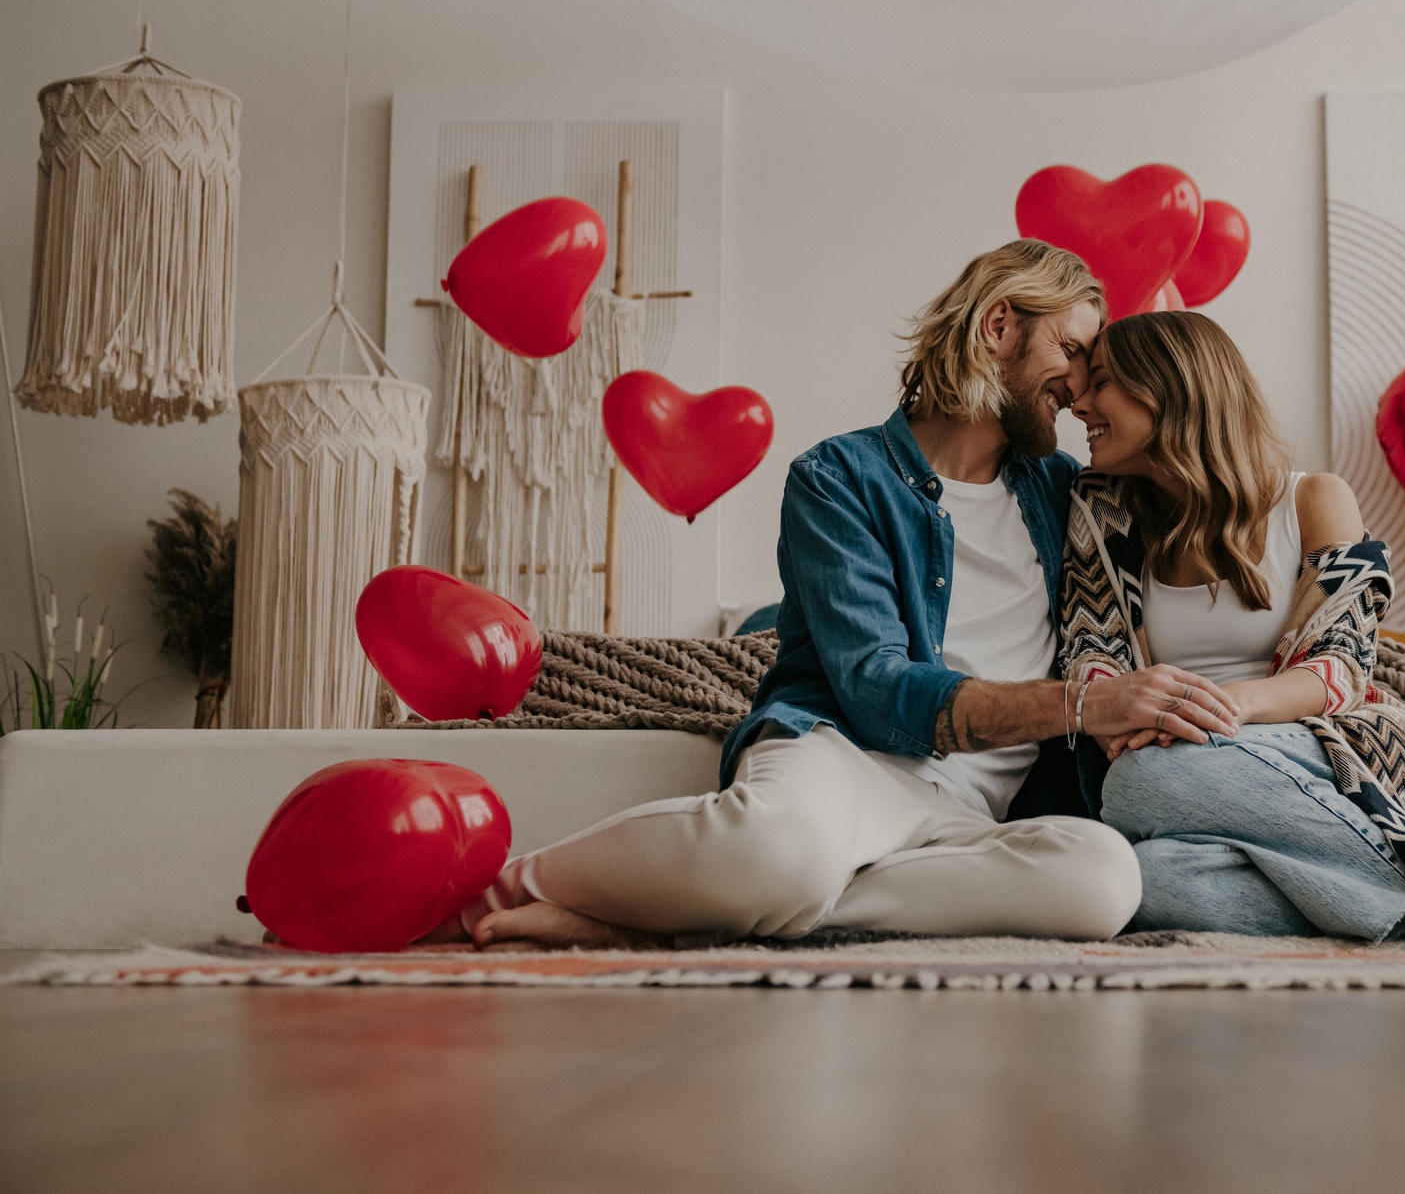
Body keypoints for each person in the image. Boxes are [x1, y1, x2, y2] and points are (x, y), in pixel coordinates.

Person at [455, 241, 1244, 949]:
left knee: (1103, 878)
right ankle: (502, 889)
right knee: (781, 848)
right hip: (840, 760)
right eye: (1070, 350)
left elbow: (1198, 475)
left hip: (968, 814)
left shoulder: (1066, 493)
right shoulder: (839, 477)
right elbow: (875, 688)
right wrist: (1081, 704)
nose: (1077, 390)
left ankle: (688, 918)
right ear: (999, 326)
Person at [1062, 310, 1405, 941]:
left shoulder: (1313, 501)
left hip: (1319, 744)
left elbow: (1339, 669)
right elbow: (1092, 656)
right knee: (1147, 877)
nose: (1079, 404)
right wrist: (1143, 716)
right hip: (1180, 756)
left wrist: (1216, 707)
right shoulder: (1099, 513)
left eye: (1100, 382)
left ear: (1170, 388)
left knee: (1139, 784)